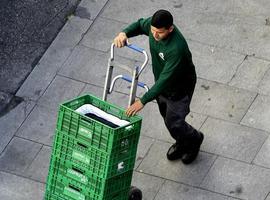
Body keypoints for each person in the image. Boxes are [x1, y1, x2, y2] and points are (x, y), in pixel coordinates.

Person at [113, 9, 204, 164]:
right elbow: (140, 24)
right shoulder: (153, 27)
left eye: (159, 33)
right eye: (153, 31)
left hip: (178, 89)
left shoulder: (177, 49)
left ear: (170, 29)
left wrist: (143, 100)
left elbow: (165, 80)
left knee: (174, 121)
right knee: (166, 116)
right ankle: (182, 141)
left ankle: (194, 139)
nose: (154, 36)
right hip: (162, 85)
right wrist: (124, 33)